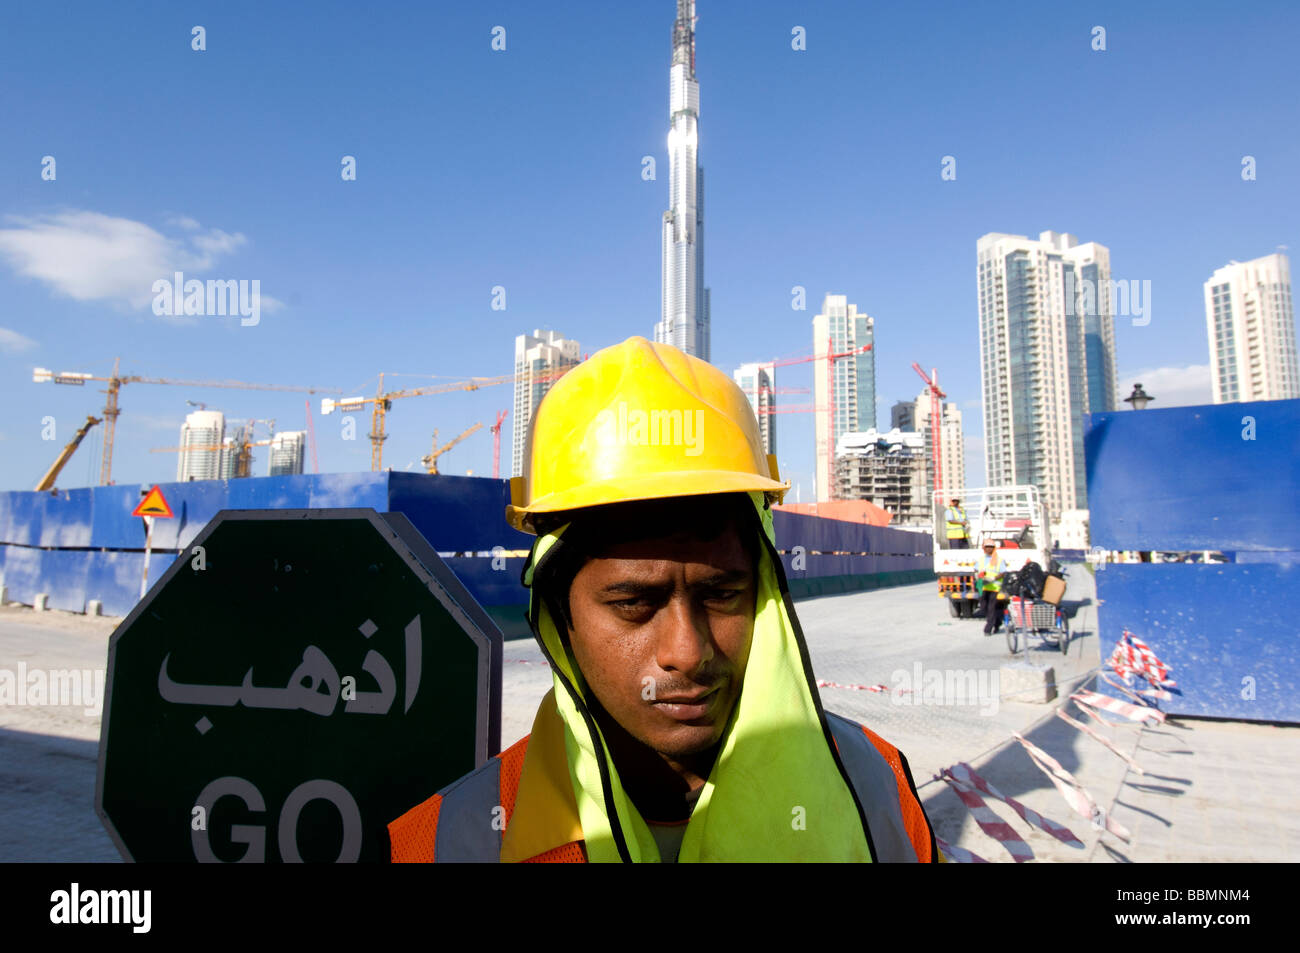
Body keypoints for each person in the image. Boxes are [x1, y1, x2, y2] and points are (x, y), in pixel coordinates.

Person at [388, 336, 939, 863]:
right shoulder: (447, 841)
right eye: (633, 603)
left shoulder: (876, 789)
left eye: (722, 594)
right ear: (559, 612)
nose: (688, 651)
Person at [976, 540, 1007, 636]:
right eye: (987, 547)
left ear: (994, 548)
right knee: (983, 608)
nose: (989, 548)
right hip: (982, 586)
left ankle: (988, 629)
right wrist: (979, 576)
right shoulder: (981, 560)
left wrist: (993, 578)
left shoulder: (999, 560)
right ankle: (997, 622)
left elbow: (1002, 573)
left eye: (991, 547)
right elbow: (976, 570)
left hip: (994, 587)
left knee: (991, 608)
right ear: (984, 548)